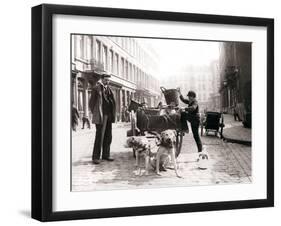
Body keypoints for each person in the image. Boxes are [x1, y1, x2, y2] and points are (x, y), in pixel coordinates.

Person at [89, 73, 116, 164]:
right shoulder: (96, 88)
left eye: (108, 80)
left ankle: (106, 155)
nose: (107, 81)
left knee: (108, 136)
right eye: (106, 80)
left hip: (108, 115)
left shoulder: (109, 89)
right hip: (101, 116)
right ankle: (96, 157)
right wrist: (96, 113)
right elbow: (91, 103)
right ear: (102, 79)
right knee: (100, 136)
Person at [178, 88, 203, 154]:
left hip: (195, 120)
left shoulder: (195, 102)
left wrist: (184, 108)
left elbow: (193, 108)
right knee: (183, 114)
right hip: (192, 119)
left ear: (193, 96)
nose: (188, 98)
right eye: (188, 96)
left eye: (189, 96)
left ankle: (200, 151)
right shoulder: (190, 101)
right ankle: (185, 128)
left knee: (196, 136)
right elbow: (183, 100)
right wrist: (179, 93)